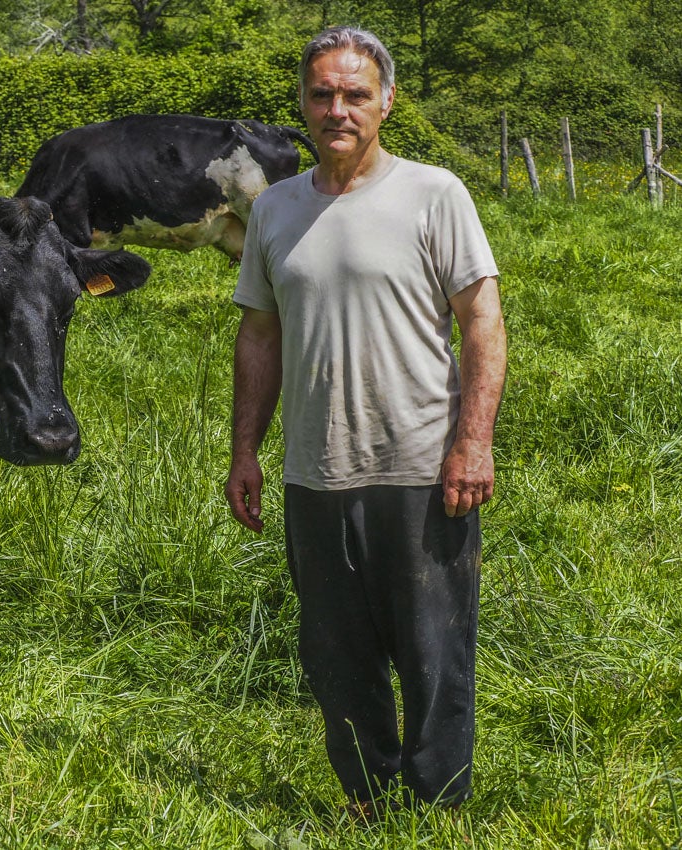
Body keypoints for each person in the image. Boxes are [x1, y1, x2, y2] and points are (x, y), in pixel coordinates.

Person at [224, 25, 506, 818]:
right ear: (302, 104)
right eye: (321, 94)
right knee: (335, 657)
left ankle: (437, 804)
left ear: (385, 101)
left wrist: (472, 442)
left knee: (433, 652)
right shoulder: (274, 209)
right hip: (312, 469)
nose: (336, 109)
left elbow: (482, 321)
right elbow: (259, 334)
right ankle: (370, 799)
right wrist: (245, 451)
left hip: (420, 466)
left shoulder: (433, 192)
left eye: (354, 94)